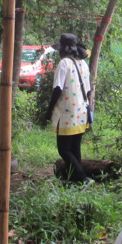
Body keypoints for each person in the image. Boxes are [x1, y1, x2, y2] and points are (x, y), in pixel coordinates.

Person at [44, 33, 92, 184]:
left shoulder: (64, 63)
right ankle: (75, 181)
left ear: (63, 50)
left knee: (64, 149)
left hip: (67, 113)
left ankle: (83, 178)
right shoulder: (83, 64)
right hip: (81, 111)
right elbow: (89, 90)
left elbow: (57, 89)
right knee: (75, 147)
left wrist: (49, 110)